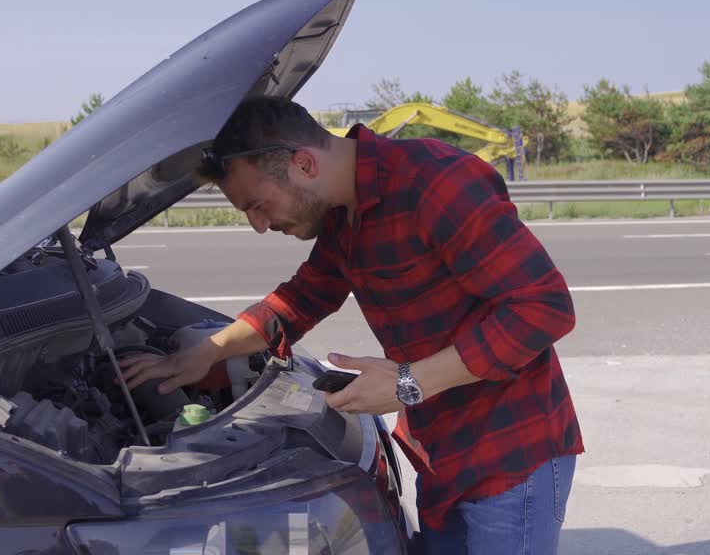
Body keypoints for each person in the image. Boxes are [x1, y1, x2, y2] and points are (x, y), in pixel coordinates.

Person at [120, 95, 583, 554]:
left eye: (257, 205)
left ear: (303, 164)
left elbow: (542, 307)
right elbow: (302, 298)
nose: (259, 225)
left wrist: (408, 383)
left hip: (511, 456)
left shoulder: (436, 182)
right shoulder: (343, 217)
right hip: (440, 452)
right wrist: (211, 349)